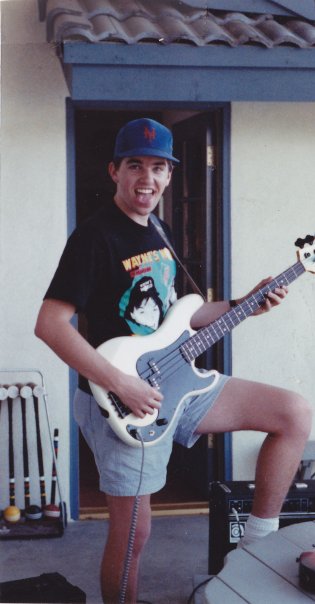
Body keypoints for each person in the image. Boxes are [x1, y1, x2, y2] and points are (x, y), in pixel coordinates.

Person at [35, 117, 312, 603]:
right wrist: (122, 384)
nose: (147, 178)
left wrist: (244, 301)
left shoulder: (157, 229)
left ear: (169, 175)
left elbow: (181, 316)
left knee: (294, 412)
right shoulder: (94, 237)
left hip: (178, 381)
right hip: (122, 402)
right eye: (135, 166)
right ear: (114, 171)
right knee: (133, 538)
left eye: (158, 167)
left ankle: (255, 543)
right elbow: (51, 325)